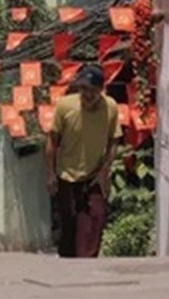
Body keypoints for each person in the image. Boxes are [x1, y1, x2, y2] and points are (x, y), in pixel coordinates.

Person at [45, 64, 121, 258]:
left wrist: (105, 170)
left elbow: (114, 139)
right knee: (69, 226)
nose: (86, 95)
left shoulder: (110, 107)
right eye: (83, 89)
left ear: (100, 90)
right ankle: (68, 266)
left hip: (94, 175)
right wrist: (51, 174)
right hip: (67, 175)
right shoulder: (65, 106)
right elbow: (52, 142)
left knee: (95, 220)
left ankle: (87, 265)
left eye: (91, 90)